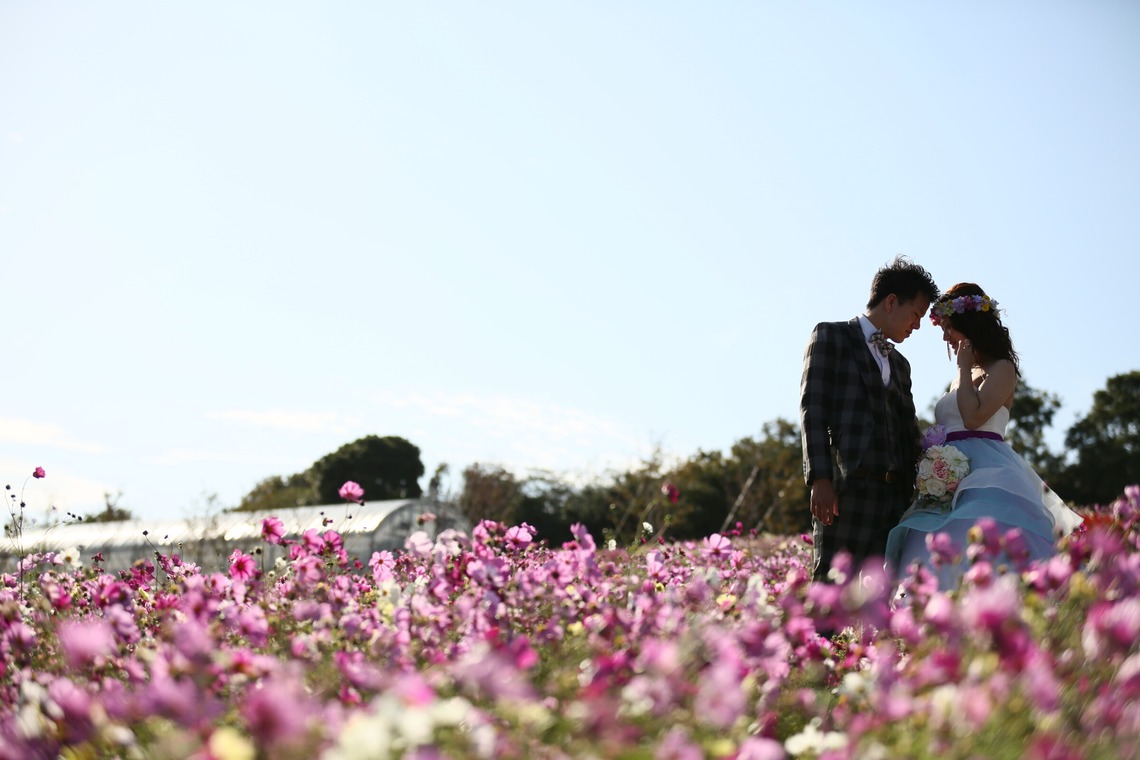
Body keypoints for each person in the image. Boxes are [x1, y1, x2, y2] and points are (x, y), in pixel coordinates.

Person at [885, 283, 1083, 589]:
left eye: (948, 328)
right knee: (931, 547)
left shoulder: (1002, 368)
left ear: (969, 325)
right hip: (947, 473)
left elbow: (973, 417)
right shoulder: (959, 377)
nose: (945, 337)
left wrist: (964, 370)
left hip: (988, 472)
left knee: (978, 541)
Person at [800, 256, 939, 582]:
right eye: (916, 314)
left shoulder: (901, 365)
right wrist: (820, 479)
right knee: (831, 591)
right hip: (847, 493)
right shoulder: (831, 336)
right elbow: (813, 411)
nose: (917, 326)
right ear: (891, 302)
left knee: (881, 599)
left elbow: (908, 429)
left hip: (895, 500)